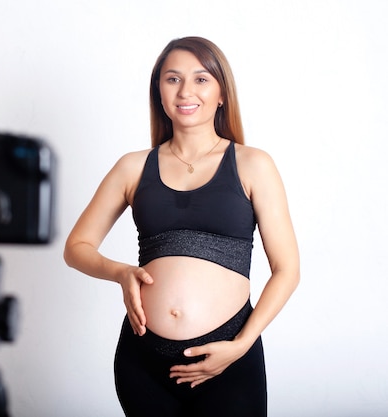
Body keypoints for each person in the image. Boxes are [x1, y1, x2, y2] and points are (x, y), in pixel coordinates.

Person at [63, 36, 299, 416]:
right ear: (159, 90)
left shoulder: (254, 164)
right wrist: (121, 273)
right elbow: (77, 247)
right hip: (143, 361)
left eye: (201, 79)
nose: (186, 90)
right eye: (173, 79)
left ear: (222, 92)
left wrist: (241, 345)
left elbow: (287, 270)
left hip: (230, 356)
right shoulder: (133, 167)